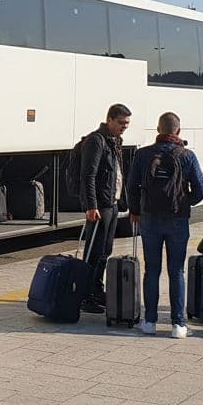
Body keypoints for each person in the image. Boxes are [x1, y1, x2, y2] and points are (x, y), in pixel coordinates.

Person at [127, 112, 203, 338]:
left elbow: (132, 187)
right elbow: (200, 190)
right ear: (178, 131)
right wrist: (184, 202)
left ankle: (150, 322)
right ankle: (178, 325)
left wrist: (135, 210)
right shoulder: (187, 155)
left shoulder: (143, 155)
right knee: (177, 271)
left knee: (152, 270)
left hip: (149, 218)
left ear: (158, 130)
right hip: (177, 219)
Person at [78, 103, 131, 314]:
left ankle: (96, 290)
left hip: (112, 203)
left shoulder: (114, 141)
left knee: (105, 251)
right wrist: (91, 205)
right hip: (100, 205)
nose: (124, 127)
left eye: (127, 123)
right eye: (120, 123)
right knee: (94, 250)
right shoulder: (96, 141)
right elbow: (88, 175)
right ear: (109, 120)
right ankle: (86, 294)